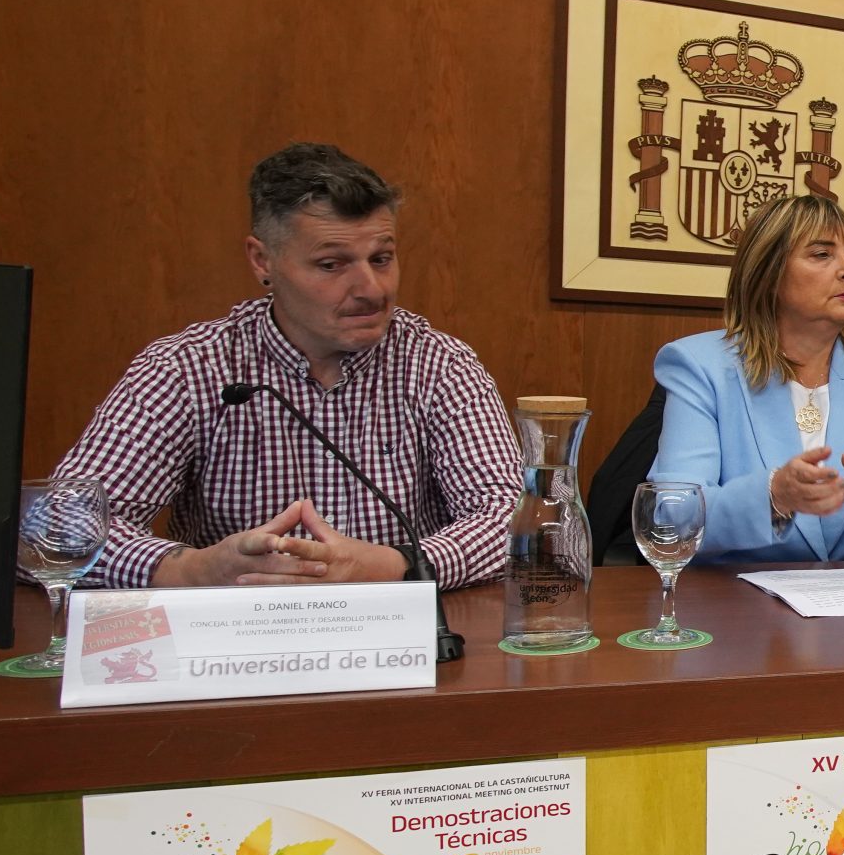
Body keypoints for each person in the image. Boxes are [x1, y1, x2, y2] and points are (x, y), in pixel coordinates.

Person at [48, 142, 519, 588]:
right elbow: (56, 529)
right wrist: (194, 570)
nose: (372, 289)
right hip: (237, 642)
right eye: (332, 264)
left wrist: (398, 564)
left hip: (402, 641)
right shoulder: (188, 368)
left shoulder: (437, 364)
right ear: (262, 261)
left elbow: (514, 517)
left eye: (382, 258)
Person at [650, 194, 844, 561]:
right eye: (822, 254)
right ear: (769, 273)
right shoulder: (699, 366)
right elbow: (673, 515)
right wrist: (774, 496)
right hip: (736, 602)